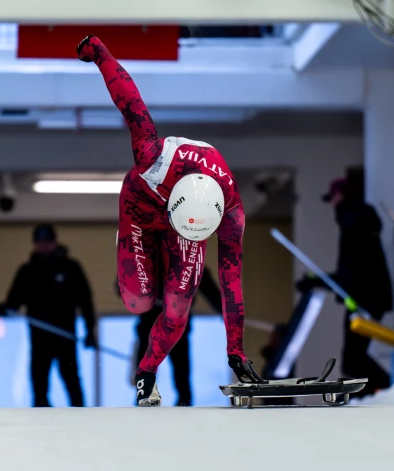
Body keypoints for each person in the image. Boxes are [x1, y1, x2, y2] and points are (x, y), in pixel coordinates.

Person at [77, 34, 265, 406]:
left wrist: (237, 351)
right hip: (139, 211)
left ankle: (146, 374)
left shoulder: (231, 211)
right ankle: (147, 359)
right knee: (139, 301)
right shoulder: (152, 156)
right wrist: (99, 52)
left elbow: (231, 282)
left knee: (179, 307)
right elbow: (129, 100)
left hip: (185, 226)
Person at [297, 177, 393, 397]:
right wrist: (318, 279)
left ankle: (386, 386)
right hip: (366, 297)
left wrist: (316, 281)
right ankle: (371, 390)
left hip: (363, 300)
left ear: (339, 196)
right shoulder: (358, 220)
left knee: (352, 360)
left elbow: (351, 273)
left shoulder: (351, 222)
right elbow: (351, 272)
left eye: (332, 199)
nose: (332, 204)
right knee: (354, 358)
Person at [0, 224, 97, 407]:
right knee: (39, 382)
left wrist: (90, 331)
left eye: (47, 242)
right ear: (35, 245)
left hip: (65, 336)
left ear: (55, 242)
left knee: (71, 379)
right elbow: (14, 303)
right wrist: (4, 309)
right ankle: (41, 423)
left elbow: (86, 301)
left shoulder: (71, 268)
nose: (44, 246)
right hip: (40, 337)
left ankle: (82, 419)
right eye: (40, 242)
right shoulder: (27, 272)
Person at [125, 234, 222, 406]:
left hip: (178, 322)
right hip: (150, 322)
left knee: (181, 368)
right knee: (147, 366)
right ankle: (144, 399)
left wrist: (225, 313)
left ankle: (184, 402)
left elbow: (208, 288)